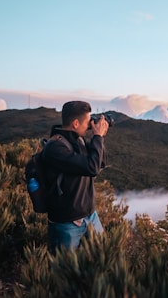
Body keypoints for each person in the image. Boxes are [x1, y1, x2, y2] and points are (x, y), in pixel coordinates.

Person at [42, 100, 109, 253]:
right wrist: (97, 137)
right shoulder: (56, 147)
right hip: (67, 222)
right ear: (75, 123)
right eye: (87, 121)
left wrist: (99, 138)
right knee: (63, 270)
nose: (89, 125)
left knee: (103, 256)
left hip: (90, 215)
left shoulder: (78, 140)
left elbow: (100, 163)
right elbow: (91, 168)